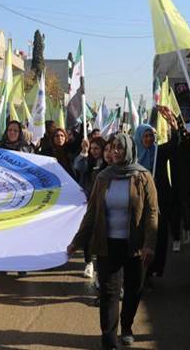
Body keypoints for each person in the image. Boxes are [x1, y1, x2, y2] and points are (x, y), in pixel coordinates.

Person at [67, 133, 158, 349]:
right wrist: (76, 242)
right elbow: (91, 214)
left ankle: (126, 326)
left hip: (135, 247)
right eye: (113, 147)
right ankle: (109, 341)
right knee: (109, 294)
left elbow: (152, 213)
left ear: (128, 150)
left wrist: (149, 244)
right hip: (108, 245)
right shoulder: (103, 177)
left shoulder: (143, 177)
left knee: (134, 289)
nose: (115, 151)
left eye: (120, 147)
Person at [133, 107, 180, 279]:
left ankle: (153, 269)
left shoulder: (159, 152)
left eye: (151, 135)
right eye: (145, 135)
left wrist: (174, 125)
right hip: (139, 201)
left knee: (159, 235)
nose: (149, 138)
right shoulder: (134, 156)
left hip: (160, 200)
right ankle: (140, 270)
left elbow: (175, 143)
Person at [72, 136, 107, 279]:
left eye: (97, 148)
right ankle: (89, 262)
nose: (94, 151)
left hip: (104, 205)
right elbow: (78, 166)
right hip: (88, 203)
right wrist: (84, 152)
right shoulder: (87, 161)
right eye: (92, 148)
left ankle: (101, 268)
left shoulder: (107, 163)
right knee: (88, 234)